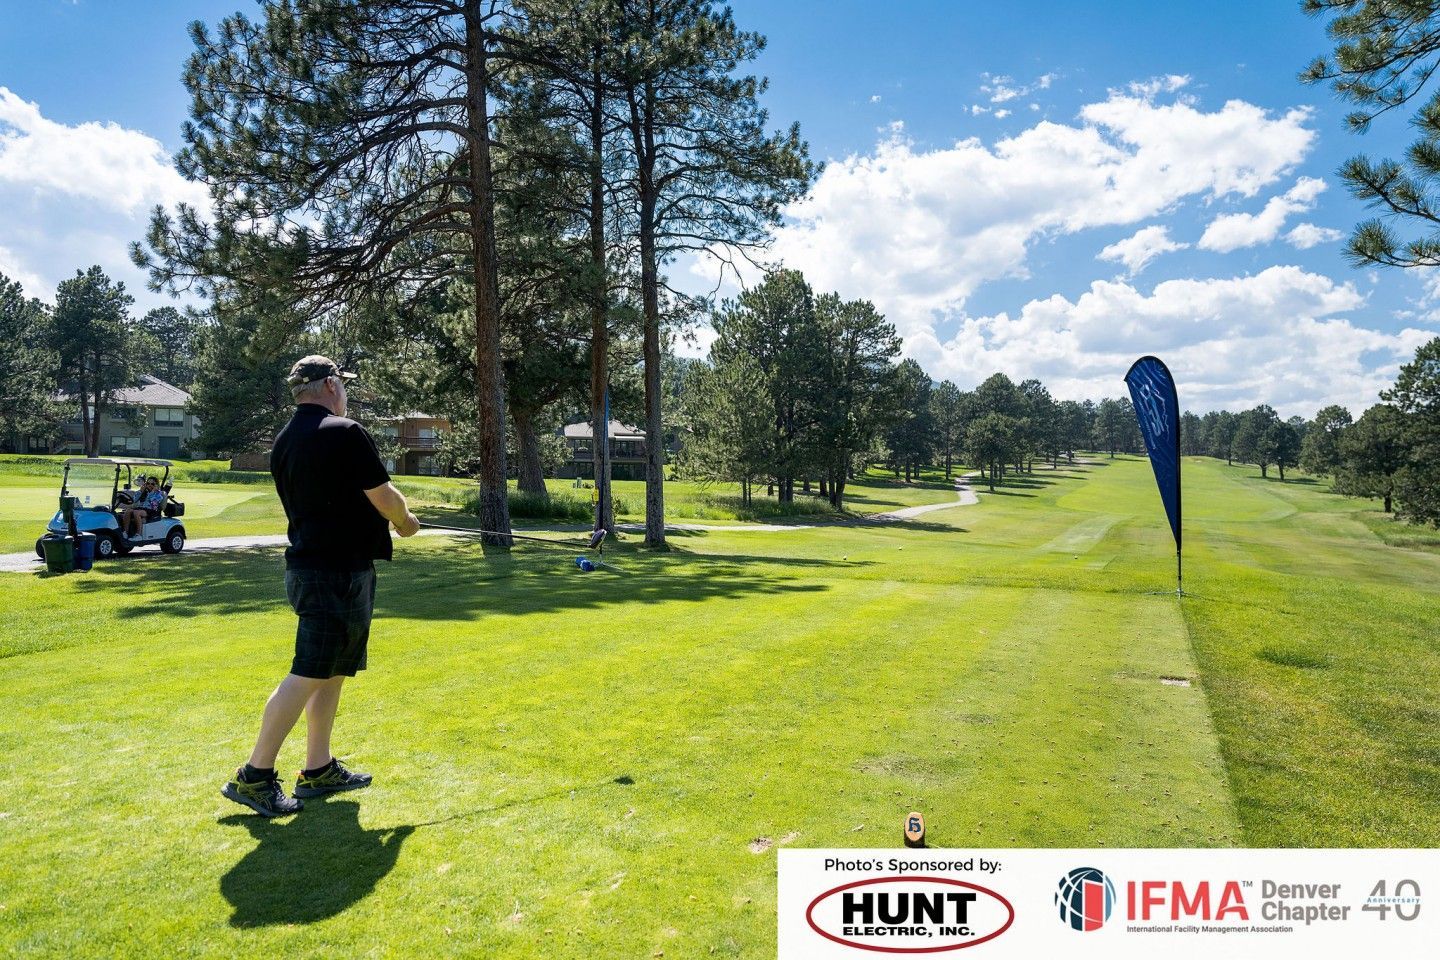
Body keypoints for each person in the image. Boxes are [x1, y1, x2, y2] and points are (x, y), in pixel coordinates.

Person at [222, 355, 420, 817]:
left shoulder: (286, 440)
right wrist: (405, 522)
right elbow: (384, 497)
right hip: (333, 574)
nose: (345, 393)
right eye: (343, 385)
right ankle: (254, 776)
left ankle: (319, 767)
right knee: (310, 669)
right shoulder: (344, 431)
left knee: (332, 670)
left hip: (323, 568)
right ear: (331, 385)